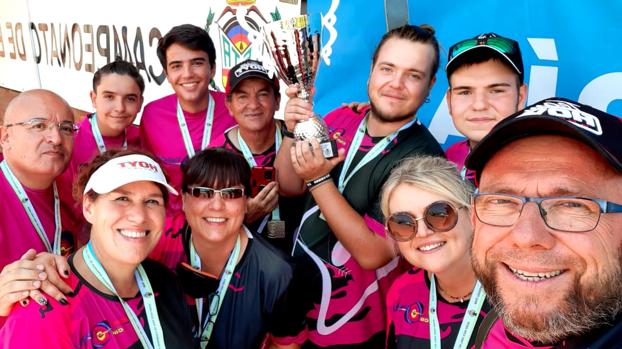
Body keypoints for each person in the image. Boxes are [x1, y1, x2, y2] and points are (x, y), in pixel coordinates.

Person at [272, 25, 445, 348]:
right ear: (371, 71)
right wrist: (291, 132)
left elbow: (373, 253)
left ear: (430, 85)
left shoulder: (424, 158)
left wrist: (320, 180)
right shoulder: (340, 118)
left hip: (359, 327)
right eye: (388, 69)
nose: (395, 84)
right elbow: (289, 186)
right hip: (299, 305)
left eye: (413, 75)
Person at [465, 97, 622, 348]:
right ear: (473, 217)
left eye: (572, 204)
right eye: (501, 201)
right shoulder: (493, 327)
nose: (526, 236)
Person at [0, 149, 195, 348]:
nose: (139, 216)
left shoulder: (166, 283)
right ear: (88, 207)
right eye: (122, 198)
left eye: (152, 201)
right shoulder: (44, 306)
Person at [177, 147, 293, 348]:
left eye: (231, 194)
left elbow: (285, 344)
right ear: (184, 199)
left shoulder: (277, 273)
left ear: (248, 202)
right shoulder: (158, 251)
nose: (217, 206)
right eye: (203, 192)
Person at [380, 156, 490, 348]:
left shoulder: (516, 297)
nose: (423, 233)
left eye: (439, 214)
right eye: (404, 223)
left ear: (472, 214)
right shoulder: (402, 292)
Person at [140, 24, 236, 212]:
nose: (188, 74)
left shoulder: (234, 109)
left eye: (197, 63)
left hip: (224, 220)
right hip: (173, 228)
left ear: (213, 69)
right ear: (167, 74)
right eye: (176, 66)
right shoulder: (152, 115)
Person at [212, 59, 303, 253]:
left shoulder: (300, 135)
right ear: (229, 105)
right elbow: (205, 226)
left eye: (262, 94)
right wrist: (244, 215)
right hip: (242, 262)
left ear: (277, 101)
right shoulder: (215, 155)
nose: (253, 105)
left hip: (303, 258)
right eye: (242, 96)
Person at [0, 89, 79, 270]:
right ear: (5, 137)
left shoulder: (77, 194)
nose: (57, 139)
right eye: (38, 126)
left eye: (66, 128)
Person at [58, 59, 144, 219]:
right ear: (93, 98)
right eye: (109, 97)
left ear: (140, 103)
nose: (120, 107)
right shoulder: (70, 141)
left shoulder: (142, 139)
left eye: (130, 98)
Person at [444, 33, 527, 182]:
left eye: (496, 91)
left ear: (520, 97)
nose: (479, 105)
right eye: (465, 92)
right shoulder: (449, 158)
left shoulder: (542, 166)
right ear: (449, 101)